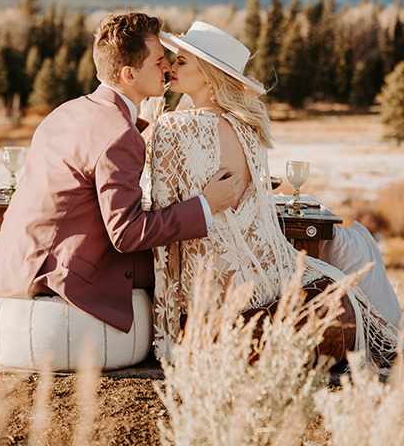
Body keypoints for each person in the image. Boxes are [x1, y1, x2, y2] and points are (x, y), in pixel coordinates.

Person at [150, 20, 402, 365]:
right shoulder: (246, 127)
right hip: (267, 275)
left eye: (181, 61)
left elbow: (160, 211)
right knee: (338, 266)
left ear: (209, 75)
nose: (171, 66)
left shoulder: (174, 127)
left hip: (215, 286)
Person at [0, 13, 242, 336]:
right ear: (129, 74)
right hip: (61, 275)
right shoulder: (119, 134)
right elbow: (127, 234)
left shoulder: (67, 111)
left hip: (19, 265)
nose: (168, 68)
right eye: (159, 61)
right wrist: (205, 205)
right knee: (193, 262)